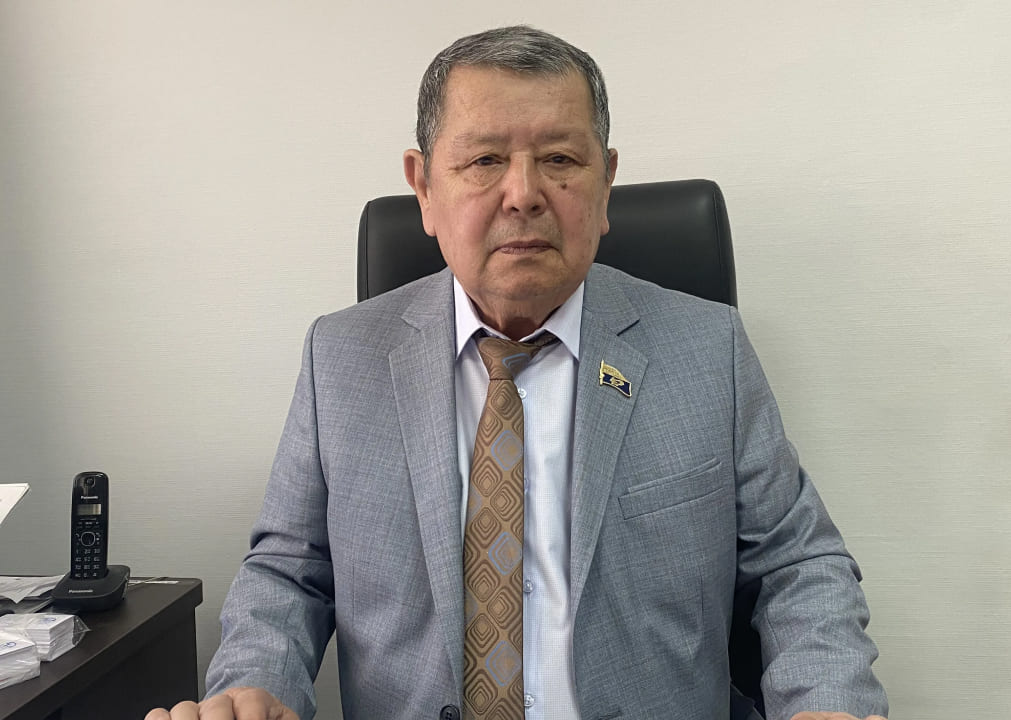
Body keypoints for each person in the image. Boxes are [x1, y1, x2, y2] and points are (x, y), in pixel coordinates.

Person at [147, 26, 888, 720]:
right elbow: (289, 570)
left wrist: (826, 699)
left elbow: (797, 563)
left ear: (606, 184)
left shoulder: (706, 348)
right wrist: (254, 684)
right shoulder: (341, 357)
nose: (524, 193)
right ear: (424, 188)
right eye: (484, 161)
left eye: (560, 159)